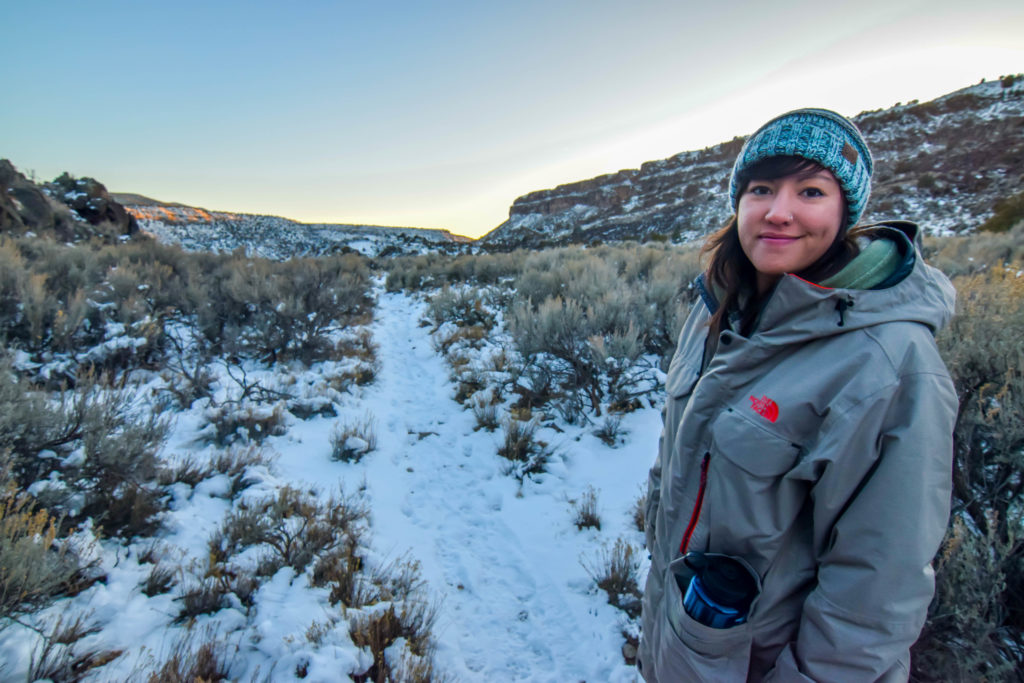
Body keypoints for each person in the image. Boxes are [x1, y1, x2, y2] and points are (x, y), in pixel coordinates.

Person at [637, 108, 957, 682]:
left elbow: (876, 591)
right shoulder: (714, 310)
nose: (778, 211)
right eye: (761, 188)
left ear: (845, 211)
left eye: (810, 190)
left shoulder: (889, 364)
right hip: (684, 645)